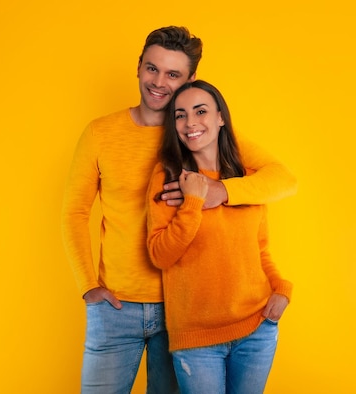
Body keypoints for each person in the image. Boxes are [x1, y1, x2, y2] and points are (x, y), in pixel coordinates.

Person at [62, 26, 297, 394]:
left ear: (190, 80)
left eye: (173, 74)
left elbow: (283, 179)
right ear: (139, 67)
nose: (159, 82)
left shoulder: (198, 133)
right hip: (116, 306)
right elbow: (75, 212)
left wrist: (219, 191)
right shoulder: (100, 133)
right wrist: (88, 285)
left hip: (183, 312)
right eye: (152, 68)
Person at [146, 79, 293, 394]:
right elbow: (160, 254)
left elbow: (260, 250)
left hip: (257, 328)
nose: (191, 123)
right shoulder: (168, 177)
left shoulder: (249, 180)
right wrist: (193, 203)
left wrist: (281, 288)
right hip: (197, 340)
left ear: (220, 117)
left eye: (201, 111)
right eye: (180, 115)